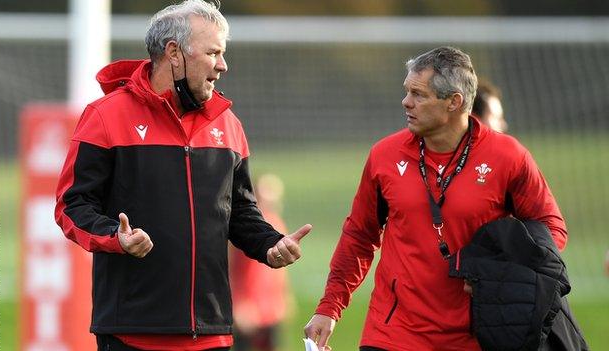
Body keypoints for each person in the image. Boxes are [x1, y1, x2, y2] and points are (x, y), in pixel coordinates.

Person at [54, 1, 311, 350]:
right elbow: (72, 205)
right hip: (132, 332)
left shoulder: (228, 124)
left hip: (212, 331)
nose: (223, 65)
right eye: (213, 53)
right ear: (174, 53)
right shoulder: (105, 117)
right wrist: (117, 236)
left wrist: (270, 243)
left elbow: (240, 212)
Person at [304, 46, 567, 351]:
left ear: (453, 102)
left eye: (418, 94)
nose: (406, 102)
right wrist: (329, 307)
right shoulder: (384, 156)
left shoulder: (509, 157)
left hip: (477, 336)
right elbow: (359, 236)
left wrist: (498, 274)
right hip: (392, 332)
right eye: (406, 91)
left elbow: (551, 230)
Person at [229, 173, 294, 351]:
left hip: (272, 310)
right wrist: (238, 304)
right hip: (250, 311)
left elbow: (280, 273)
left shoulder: (277, 223)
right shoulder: (247, 232)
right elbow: (231, 268)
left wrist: (285, 298)